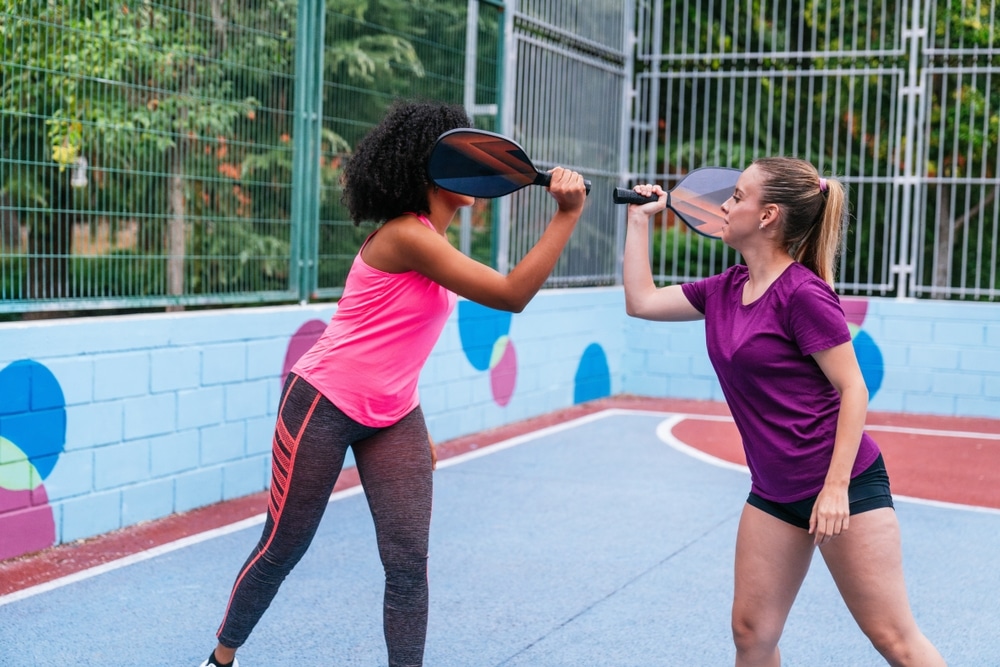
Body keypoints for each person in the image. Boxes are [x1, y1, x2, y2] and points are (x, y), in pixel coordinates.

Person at [197, 100, 587, 667]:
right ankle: (222, 658)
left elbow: (398, 339)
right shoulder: (408, 236)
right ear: (429, 170)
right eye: (461, 158)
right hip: (323, 403)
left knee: (408, 565)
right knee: (284, 546)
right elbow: (511, 296)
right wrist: (567, 215)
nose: (476, 174)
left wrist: (412, 415)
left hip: (395, 413)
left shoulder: (433, 240)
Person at [621, 158, 946, 667]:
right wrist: (639, 219)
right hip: (773, 491)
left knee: (894, 639)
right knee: (752, 634)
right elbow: (640, 301)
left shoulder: (803, 294)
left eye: (737, 196)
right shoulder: (725, 288)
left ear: (768, 214)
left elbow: (853, 388)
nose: (724, 205)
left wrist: (836, 488)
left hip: (844, 486)